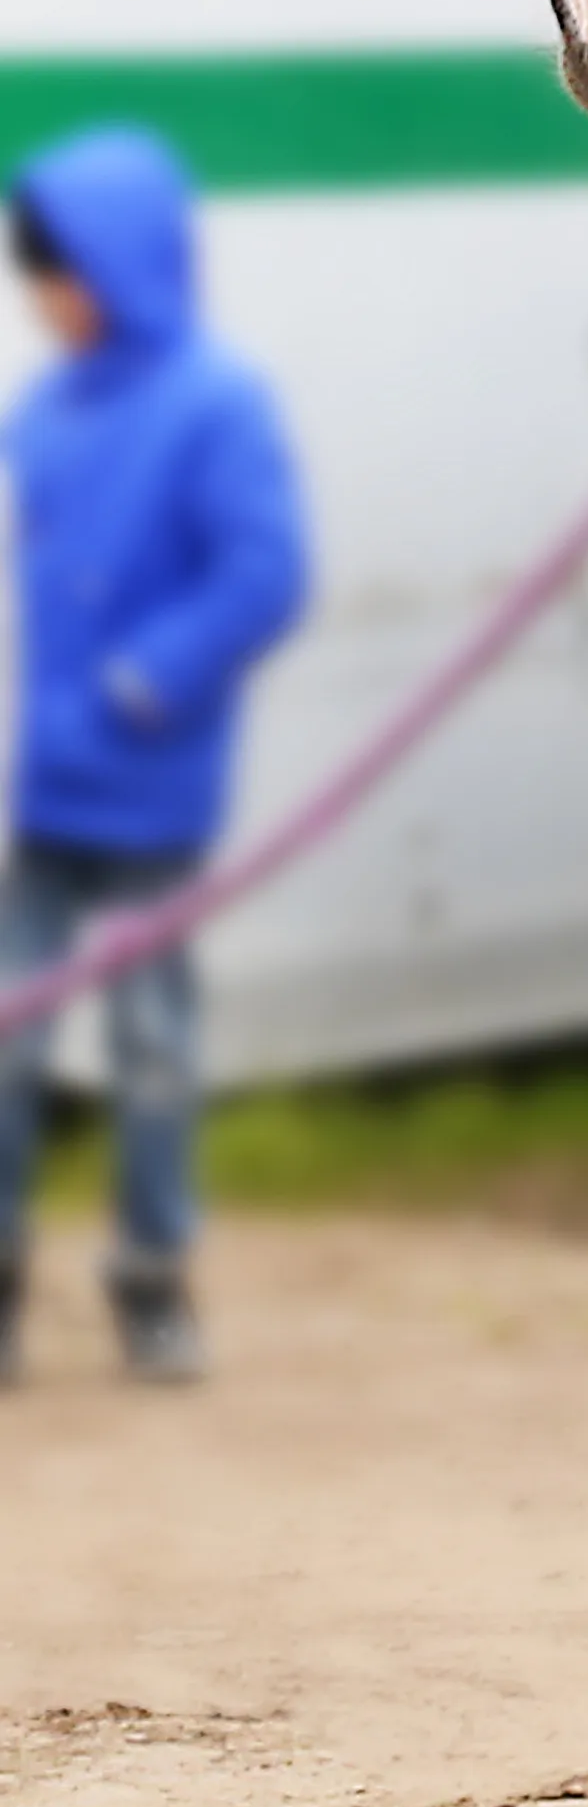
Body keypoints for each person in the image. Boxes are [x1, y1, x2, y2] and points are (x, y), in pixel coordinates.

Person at [0, 126, 310, 1385]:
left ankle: (151, 1278)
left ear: (120, 266)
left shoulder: (214, 407)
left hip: (147, 797)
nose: (47, 302)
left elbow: (263, 575)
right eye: (37, 280)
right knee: (11, 1045)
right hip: (32, 802)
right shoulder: (38, 415)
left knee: (151, 1049)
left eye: (61, 274)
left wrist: (141, 686)